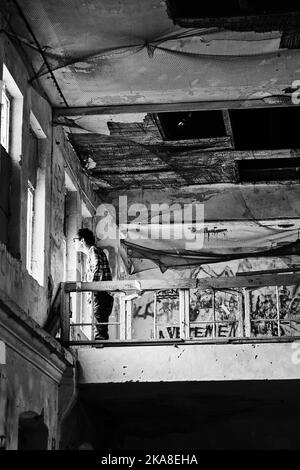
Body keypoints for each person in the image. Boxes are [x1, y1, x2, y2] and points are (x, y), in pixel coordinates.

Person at [75, 228, 113, 340]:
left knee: (100, 330)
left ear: (82, 240)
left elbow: (97, 268)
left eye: (75, 240)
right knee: (99, 325)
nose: (74, 243)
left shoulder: (93, 250)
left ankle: (100, 347)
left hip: (99, 294)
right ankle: (100, 345)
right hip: (100, 294)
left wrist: (90, 287)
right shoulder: (93, 252)